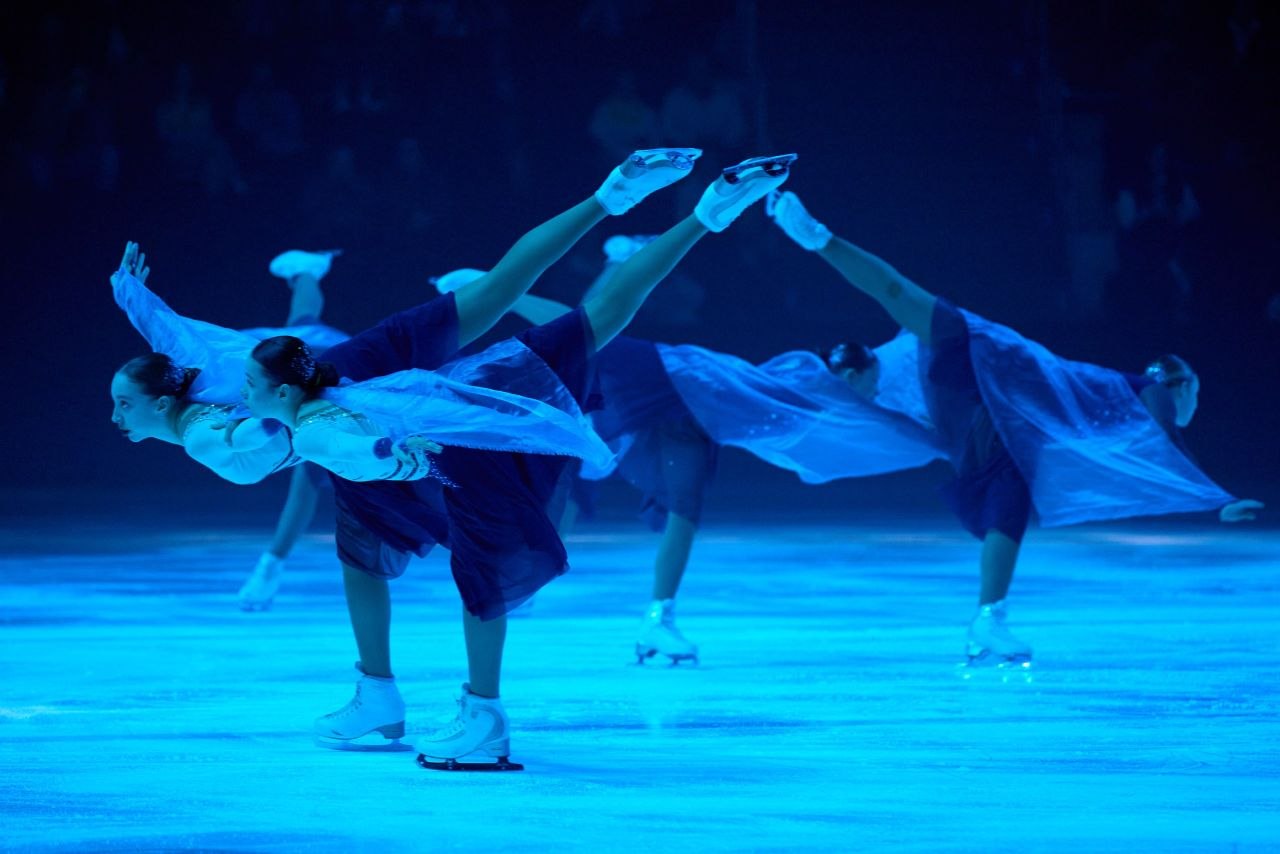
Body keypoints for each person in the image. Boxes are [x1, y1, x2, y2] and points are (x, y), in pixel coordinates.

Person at [111, 150, 794, 770]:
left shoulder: (249, 422)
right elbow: (184, 345)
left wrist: (396, 460)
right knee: (511, 302)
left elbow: (330, 442)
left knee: (483, 545)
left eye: (122, 405)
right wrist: (135, 299)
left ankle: (479, 716)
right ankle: (638, 199)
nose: (115, 416)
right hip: (358, 380)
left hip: (414, 430)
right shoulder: (205, 384)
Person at [767, 189, 1263, 667]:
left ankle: (989, 619)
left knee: (1008, 482)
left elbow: (893, 299)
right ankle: (989, 618)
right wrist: (1212, 496)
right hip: (988, 382)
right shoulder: (1140, 392)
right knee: (1008, 484)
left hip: (985, 376)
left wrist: (1212, 497)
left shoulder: (1124, 396)